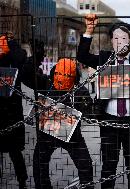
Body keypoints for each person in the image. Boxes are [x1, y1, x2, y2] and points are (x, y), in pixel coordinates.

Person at [77, 13, 130, 189]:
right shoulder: (104, 59)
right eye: (116, 38)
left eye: (124, 38)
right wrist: (89, 30)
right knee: (108, 166)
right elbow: (82, 56)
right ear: (111, 41)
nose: (120, 42)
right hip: (109, 121)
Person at [22, 58, 94, 189]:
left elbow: (90, 111)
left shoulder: (79, 90)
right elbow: (25, 75)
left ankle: (87, 186)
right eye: (59, 74)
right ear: (54, 73)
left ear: (74, 77)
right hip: (46, 134)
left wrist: (87, 106)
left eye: (67, 75)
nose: (62, 78)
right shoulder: (46, 83)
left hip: (71, 136)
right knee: (39, 164)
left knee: (85, 164)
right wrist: (35, 57)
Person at [0, 32, 28, 189]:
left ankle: (22, 179)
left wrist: (10, 45)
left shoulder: (16, 53)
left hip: (11, 109)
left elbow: (20, 58)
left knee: (14, 150)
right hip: (5, 108)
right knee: (13, 150)